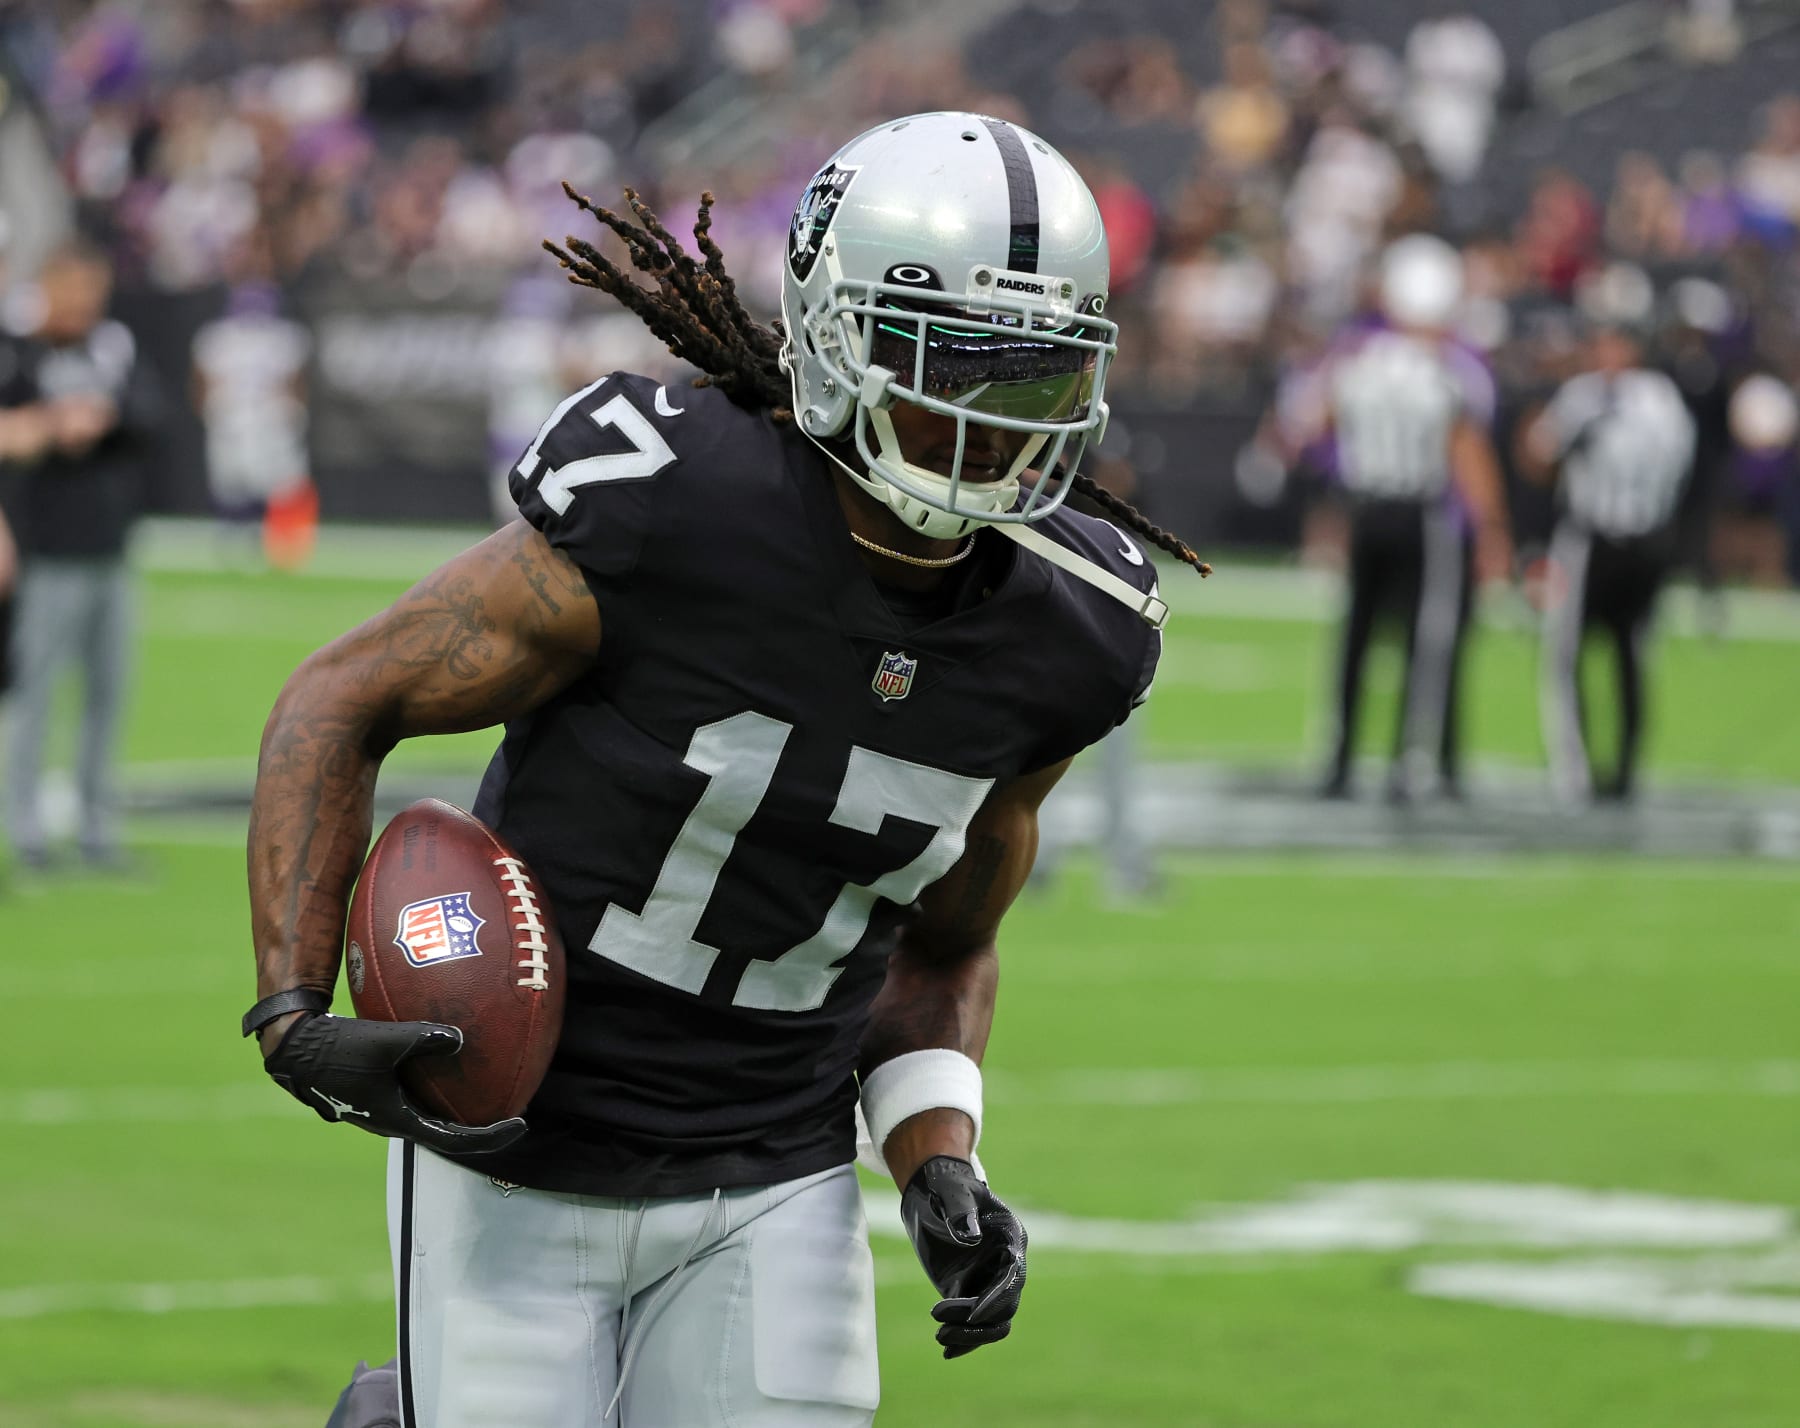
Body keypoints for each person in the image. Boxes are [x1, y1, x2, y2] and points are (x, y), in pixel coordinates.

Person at [243, 111, 1206, 1428]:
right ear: (832, 333)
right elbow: (338, 700)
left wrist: (935, 1152)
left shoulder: (1074, 630)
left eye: (1032, 377)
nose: (988, 423)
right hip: (516, 1155)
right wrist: (291, 1010)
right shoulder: (678, 501)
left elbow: (941, 945)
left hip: (779, 1175)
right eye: (952, 365)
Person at [1306, 234, 1512, 802]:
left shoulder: (1355, 361)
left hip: (1366, 508)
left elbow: (1318, 429)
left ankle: (1341, 760)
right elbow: (1468, 457)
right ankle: (1410, 763)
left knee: (1357, 639)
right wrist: (1493, 532)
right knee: (1426, 641)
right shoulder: (1449, 371)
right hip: (1422, 517)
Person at [5, 238, 164, 871]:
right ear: (46, 287)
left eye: (90, 290)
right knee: (35, 695)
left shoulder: (112, 346)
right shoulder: (17, 351)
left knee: (107, 694)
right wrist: (50, 423)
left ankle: (97, 827)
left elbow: (152, 415)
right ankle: (26, 833)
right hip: (47, 550)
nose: (81, 303)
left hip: (111, 549)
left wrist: (104, 416)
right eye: (69, 288)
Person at [1523, 319, 1697, 802]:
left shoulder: (1656, 401)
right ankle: (1576, 767)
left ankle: (1624, 768)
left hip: (1632, 542)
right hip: (1593, 539)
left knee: (1629, 657)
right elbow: (1539, 454)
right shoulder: (1586, 396)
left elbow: (1677, 470)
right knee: (1570, 653)